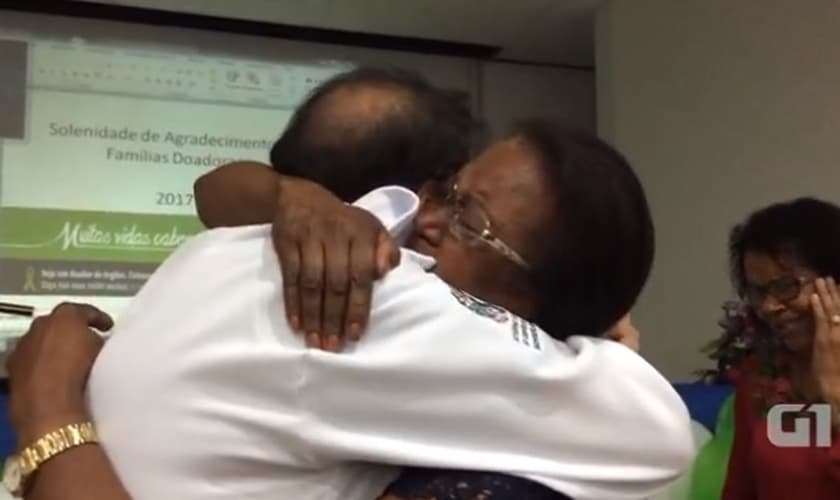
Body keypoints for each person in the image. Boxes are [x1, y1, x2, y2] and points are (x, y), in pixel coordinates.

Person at [722, 198, 840, 500]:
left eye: (787, 286)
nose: (769, 307)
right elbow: (740, 489)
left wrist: (834, 393)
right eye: (758, 292)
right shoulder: (761, 376)